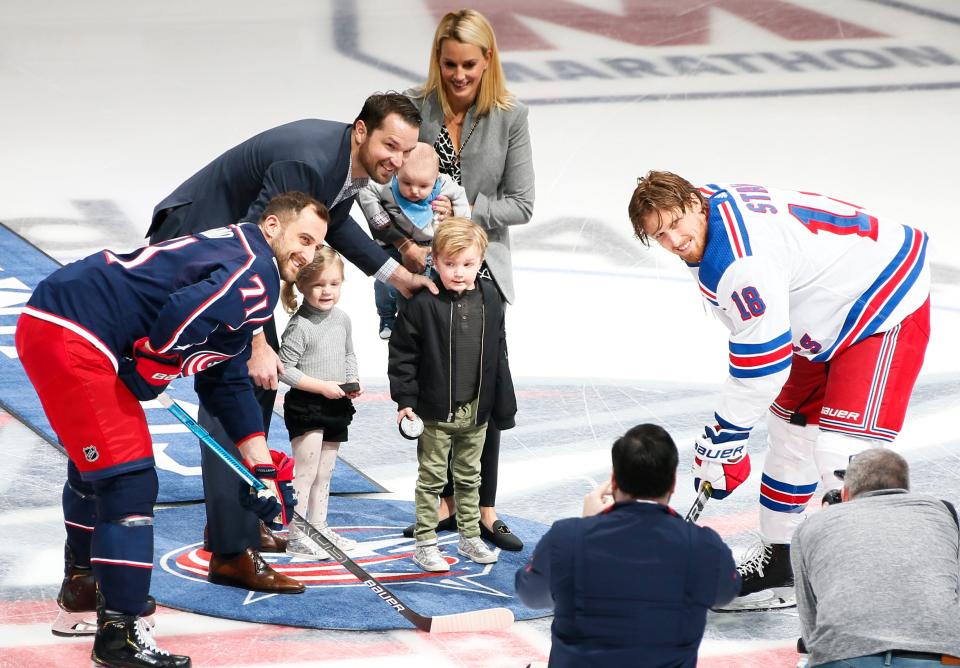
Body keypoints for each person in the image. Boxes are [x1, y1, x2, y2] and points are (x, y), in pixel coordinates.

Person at [16, 191, 328, 668]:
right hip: (73, 331)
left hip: (60, 317)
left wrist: (261, 470)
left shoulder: (242, 258)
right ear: (271, 227)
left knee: (97, 467)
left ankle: (84, 588)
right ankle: (120, 635)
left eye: (316, 248)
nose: (306, 256)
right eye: (303, 239)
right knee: (129, 478)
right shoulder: (256, 270)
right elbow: (189, 308)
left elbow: (225, 380)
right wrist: (152, 367)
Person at [148, 93, 438, 586]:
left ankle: (238, 522)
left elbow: (337, 222)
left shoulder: (346, 162)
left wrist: (396, 276)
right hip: (193, 250)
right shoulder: (305, 160)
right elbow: (253, 244)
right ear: (361, 131)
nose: (397, 159)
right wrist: (259, 343)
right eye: (391, 144)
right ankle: (230, 551)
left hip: (227, 262)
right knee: (238, 386)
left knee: (253, 392)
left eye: (406, 151)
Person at [627, 171, 931, 611]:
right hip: (821, 309)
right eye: (660, 234)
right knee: (790, 435)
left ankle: (866, 595)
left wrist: (721, 443)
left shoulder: (740, 262)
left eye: (676, 223)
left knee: (843, 457)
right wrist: (724, 444)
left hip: (881, 300)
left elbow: (763, 367)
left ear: (695, 202)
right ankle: (781, 563)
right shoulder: (711, 212)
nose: (674, 239)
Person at [403, 8, 535, 551]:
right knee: (435, 386)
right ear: (438, 59)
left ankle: (483, 509)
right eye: (450, 64)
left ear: (488, 62)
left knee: (484, 395)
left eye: (470, 66)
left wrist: (464, 213)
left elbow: (522, 204)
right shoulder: (413, 109)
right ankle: (439, 505)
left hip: (482, 273)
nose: (459, 76)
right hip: (425, 271)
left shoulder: (511, 116)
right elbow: (387, 184)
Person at [515, 424, 740, 668]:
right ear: (673, 482)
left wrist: (587, 527)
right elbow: (725, 593)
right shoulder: (704, 547)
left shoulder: (566, 538)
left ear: (614, 480)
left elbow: (531, 593)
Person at [388, 217, 517, 572]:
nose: (458, 272)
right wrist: (405, 402)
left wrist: (502, 402)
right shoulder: (421, 304)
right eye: (449, 264)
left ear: (481, 261)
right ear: (435, 259)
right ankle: (426, 542)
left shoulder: (490, 297)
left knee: (469, 476)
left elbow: (498, 351)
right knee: (431, 478)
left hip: (476, 412)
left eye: (467, 264)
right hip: (433, 412)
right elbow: (403, 357)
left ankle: (469, 534)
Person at [792, 449, 960, 667]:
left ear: (845, 493)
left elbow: (810, 621)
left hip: (846, 655)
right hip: (940, 655)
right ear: (904, 489)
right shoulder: (939, 512)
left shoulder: (811, 527)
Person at [277, 247, 362, 560]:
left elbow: (348, 353)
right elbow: (284, 369)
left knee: (325, 474)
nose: (327, 291)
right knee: (306, 472)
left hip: (336, 403)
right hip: (307, 405)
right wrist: (322, 387)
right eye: (318, 285)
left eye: (334, 283)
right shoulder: (301, 326)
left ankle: (319, 526)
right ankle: (297, 535)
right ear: (302, 286)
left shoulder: (342, 319)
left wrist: (351, 381)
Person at [357, 141, 470, 339]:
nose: (414, 191)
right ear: (397, 172)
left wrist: (459, 227)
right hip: (393, 244)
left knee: (431, 284)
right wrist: (379, 217)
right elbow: (365, 189)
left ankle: (426, 322)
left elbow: (460, 196)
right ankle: (387, 318)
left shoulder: (444, 185)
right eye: (407, 183)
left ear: (435, 178)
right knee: (385, 282)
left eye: (423, 185)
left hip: (429, 246)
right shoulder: (386, 185)